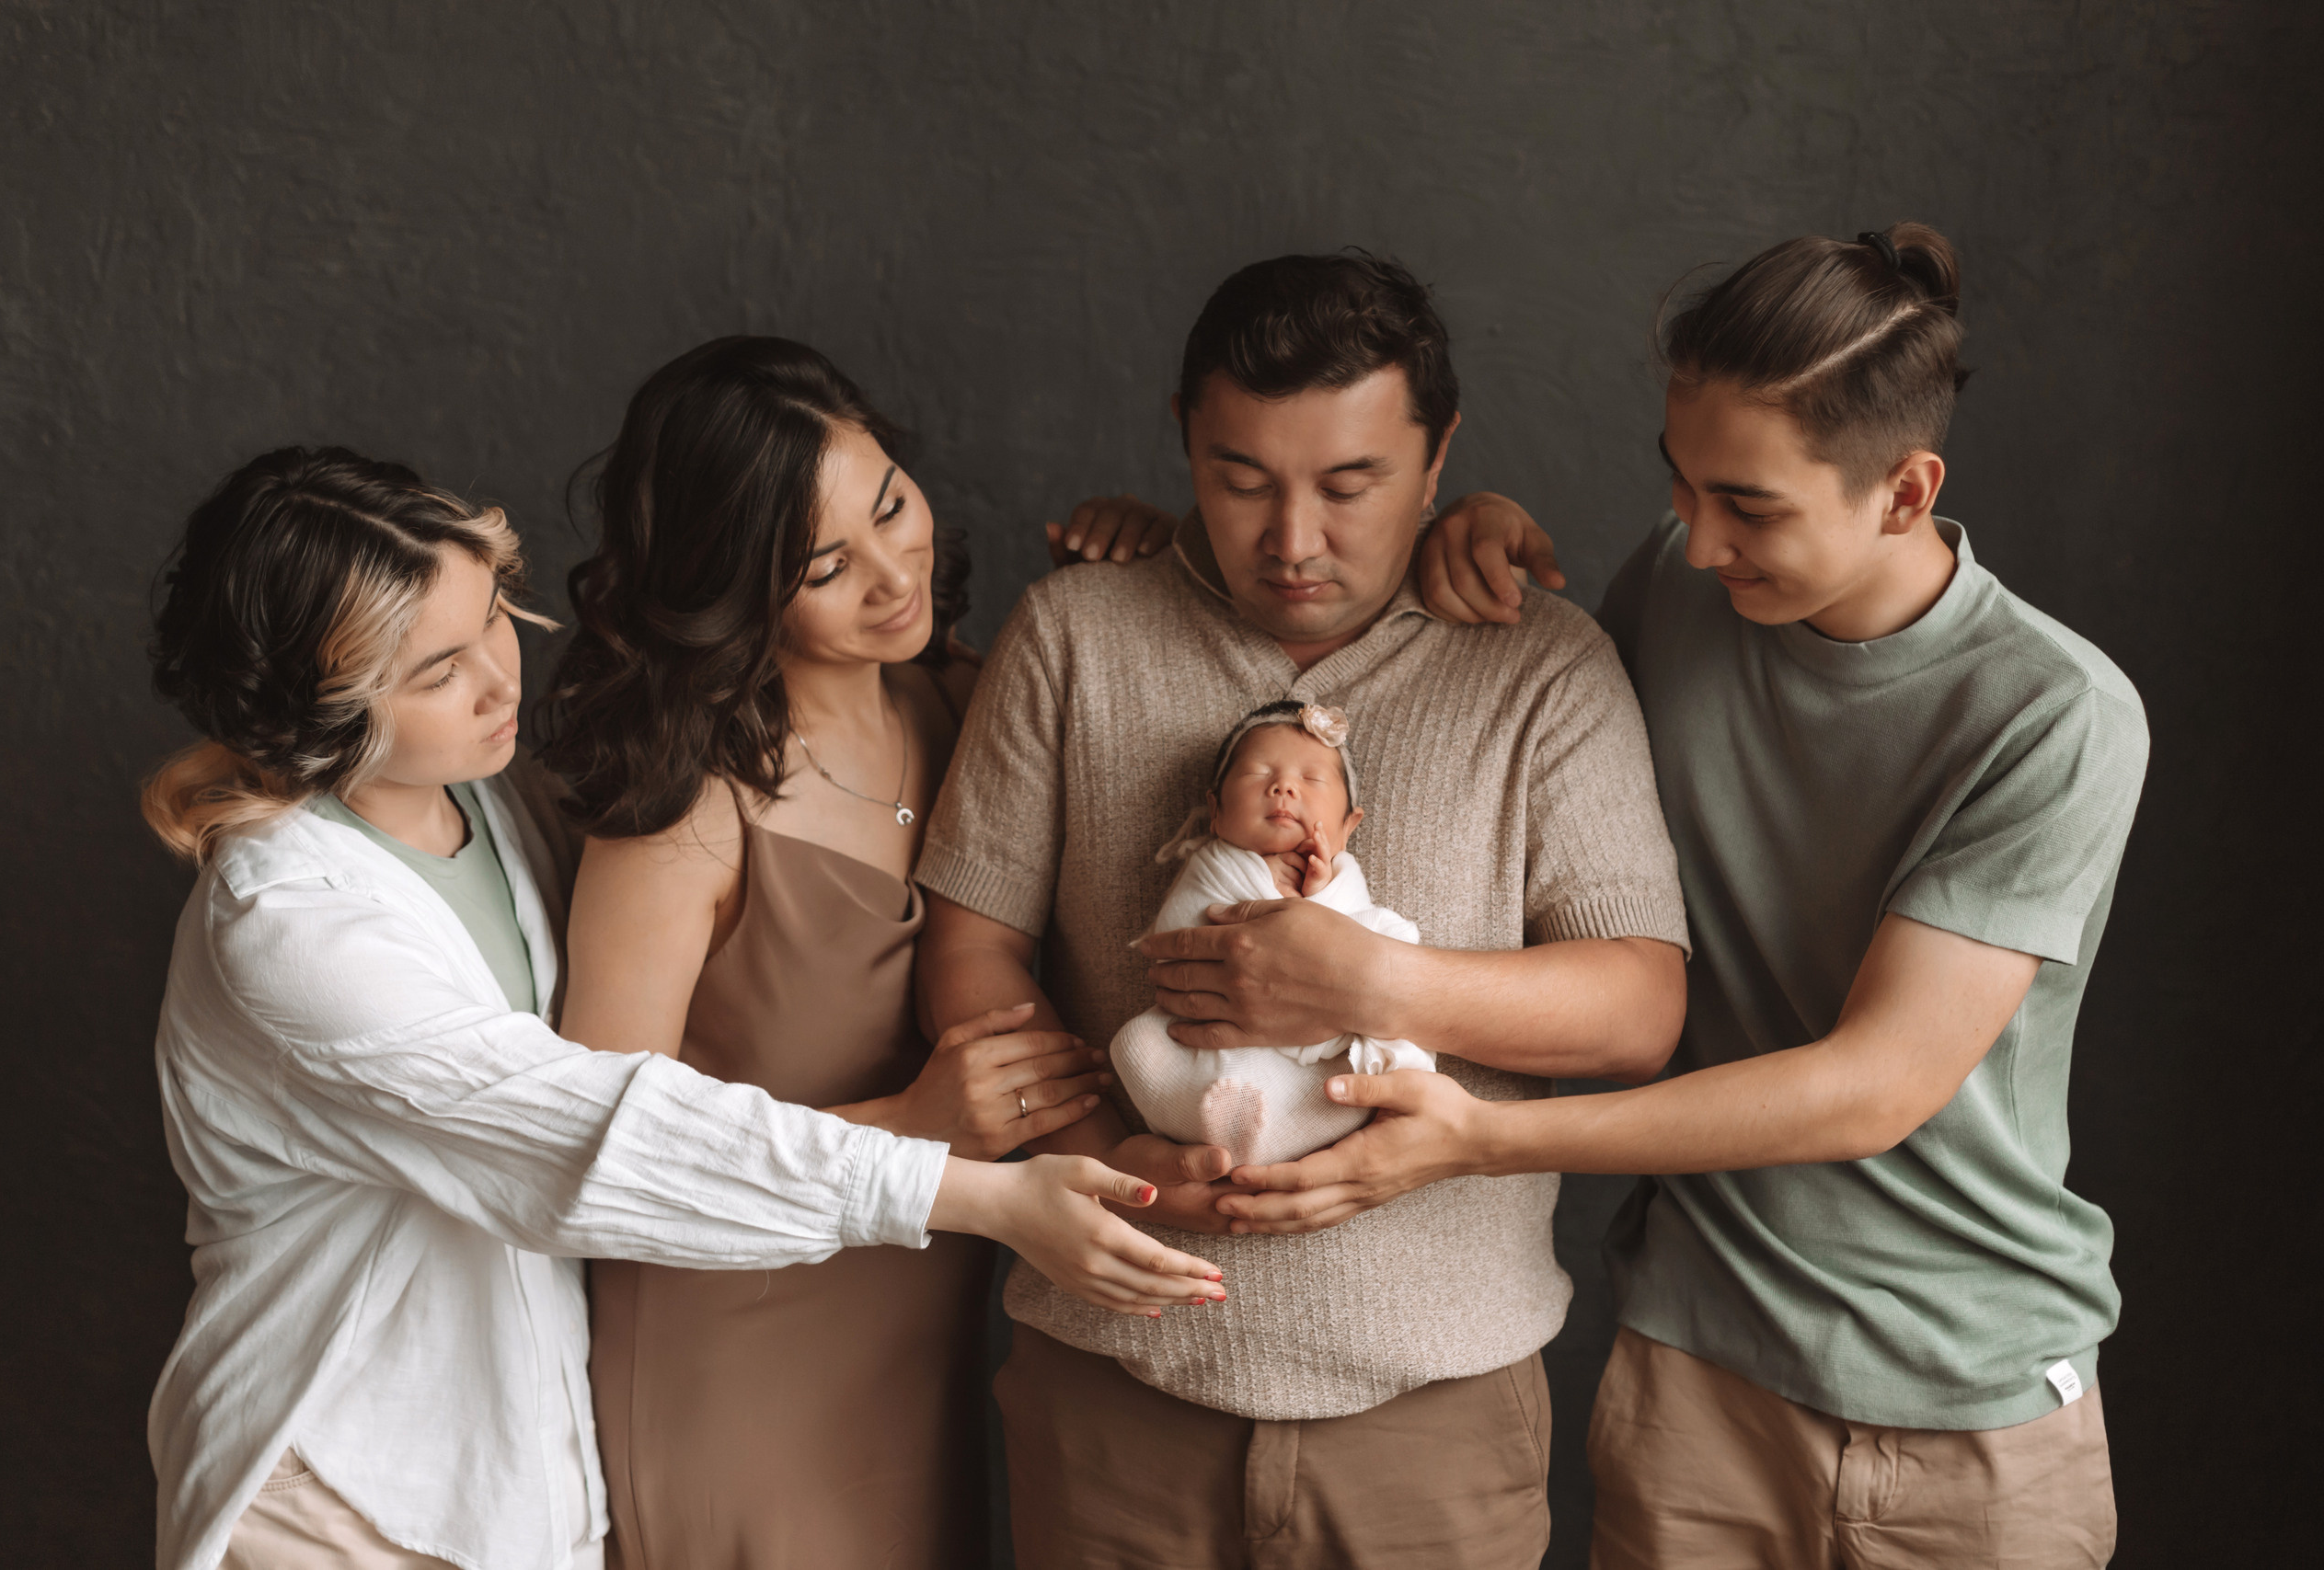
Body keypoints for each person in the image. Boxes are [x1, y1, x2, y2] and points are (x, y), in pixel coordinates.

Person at [1240, 223, 2145, 1568]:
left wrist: (1478, 1138)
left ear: (1906, 491)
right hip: (1695, 1380)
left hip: (1970, 1404)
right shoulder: (1675, 588)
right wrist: (1463, 531)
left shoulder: (2055, 714)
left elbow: (1871, 1086)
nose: (1699, 535)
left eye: (1752, 504)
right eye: (1681, 481)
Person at [141, 445, 1219, 1570]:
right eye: (436, 671)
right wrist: (964, 1183)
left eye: (495, 616)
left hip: (521, 1480)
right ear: (317, 712)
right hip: (343, 1490)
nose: (503, 680)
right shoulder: (290, 929)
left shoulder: (484, 805)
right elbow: (598, 1139)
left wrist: (1150, 588)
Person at [917, 252, 1691, 1567]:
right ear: (1183, 439)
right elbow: (972, 943)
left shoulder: (1543, 665)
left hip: (1434, 1414)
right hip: (1115, 1377)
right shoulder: (1073, 636)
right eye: (1240, 479)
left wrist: (1376, 987)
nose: (1292, 539)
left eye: (1350, 484)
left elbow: (1640, 1007)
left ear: (1439, 458)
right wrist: (1112, 1149)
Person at [540, 335, 1204, 1569]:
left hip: (920, 1337)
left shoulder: (959, 695)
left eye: (893, 502)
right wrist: (911, 1118)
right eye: (825, 564)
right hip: (730, 1357)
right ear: (733, 587)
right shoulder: (689, 808)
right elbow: (601, 1152)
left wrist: (1158, 553)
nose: (898, 570)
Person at [1110, 698, 1434, 1166]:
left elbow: (1356, 957)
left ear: (1347, 826)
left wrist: (1315, 902)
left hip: (1312, 1057)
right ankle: (1213, 1124)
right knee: (1134, 1047)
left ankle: (1276, 1128)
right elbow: (1178, 945)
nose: (1283, 787)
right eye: (1259, 774)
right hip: (1205, 1047)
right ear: (1216, 811)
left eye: (1311, 779)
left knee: (1388, 941)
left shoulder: (1343, 878)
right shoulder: (1212, 867)